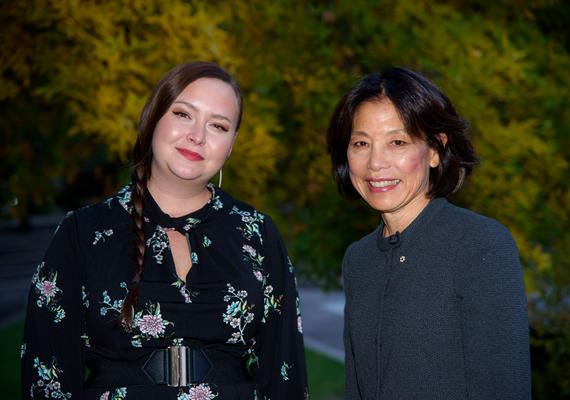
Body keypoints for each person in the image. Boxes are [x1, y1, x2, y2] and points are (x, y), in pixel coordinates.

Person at [21, 61, 308, 400]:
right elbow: (48, 375)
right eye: (183, 114)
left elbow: (284, 369)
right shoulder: (82, 232)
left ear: (231, 144)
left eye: (218, 125)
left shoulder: (257, 233)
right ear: (152, 117)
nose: (197, 136)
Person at [327, 67, 531, 399]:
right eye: (361, 143)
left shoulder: (480, 244)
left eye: (397, 142)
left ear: (435, 150)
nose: (375, 162)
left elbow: (505, 387)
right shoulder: (358, 259)